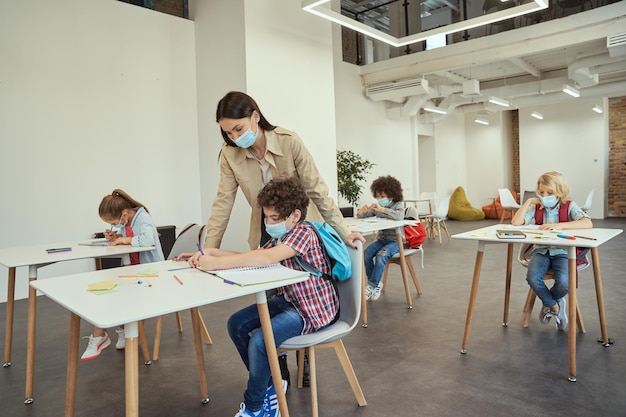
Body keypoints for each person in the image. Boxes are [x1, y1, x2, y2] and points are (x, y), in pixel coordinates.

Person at [200, 90, 364, 384]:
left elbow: (317, 190)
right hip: (267, 230)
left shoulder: (289, 141)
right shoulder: (229, 154)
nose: (235, 137)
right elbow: (222, 203)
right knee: (274, 299)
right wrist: (207, 252)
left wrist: (344, 231)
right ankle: (278, 371)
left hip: (301, 228)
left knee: (301, 294)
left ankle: (303, 359)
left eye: (239, 128)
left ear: (255, 116)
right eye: (227, 133)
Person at [188, 178, 338, 417]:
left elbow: (264, 260)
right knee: (236, 324)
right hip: (291, 302)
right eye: (266, 217)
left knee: (260, 341)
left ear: (295, 215)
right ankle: (271, 387)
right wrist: (213, 252)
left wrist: (215, 264)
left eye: (274, 218)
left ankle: (255, 407)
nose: (269, 223)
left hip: (312, 310)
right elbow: (256, 255)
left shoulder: (303, 233)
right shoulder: (283, 235)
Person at [81, 189, 165, 361]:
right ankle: (110, 333)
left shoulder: (144, 219)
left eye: (115, 223)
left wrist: (124, 240)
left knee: (122, 295)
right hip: (133, 269)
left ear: (124, 214)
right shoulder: (127, 221)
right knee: (109, 290)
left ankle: (105, 335)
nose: (115, 225)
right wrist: (116, 235)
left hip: (151, 271)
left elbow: (147, 240)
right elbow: (128, 234)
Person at [511, 171, 592, 331]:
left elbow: (587, 222)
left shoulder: (569, 206)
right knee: (533, 278)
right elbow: (516, 222)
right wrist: (528, 203)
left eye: (550, 192)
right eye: (541, 192)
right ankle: (555, 306)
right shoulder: (536, 207)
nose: (544, 195)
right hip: (541, 251)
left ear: (560, 192)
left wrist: (560, 225)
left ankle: (549, 301)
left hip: (562, 252)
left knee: (565, 282)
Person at [356, 175, 405, 302]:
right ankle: (376, 284)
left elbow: (399, 216)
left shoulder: (398, 204)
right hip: (382, 240)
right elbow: (365, 216)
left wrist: (383, 209)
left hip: (396, 241)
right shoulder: (378, 206)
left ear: (391, 195)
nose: (379, 199)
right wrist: (361, 212)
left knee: (381, 256)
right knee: (366, 254)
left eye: (382, 196)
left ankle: (372, 285)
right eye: (377, 196)